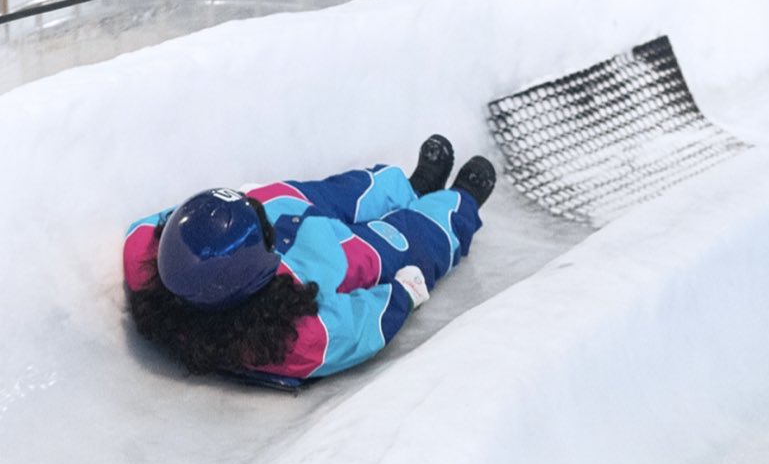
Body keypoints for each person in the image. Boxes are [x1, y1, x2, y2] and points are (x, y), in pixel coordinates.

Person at [123, 136, 495, 381]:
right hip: (328, 257)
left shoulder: (147, 254)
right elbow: (358, 327)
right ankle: (456, 205)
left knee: (344, 189)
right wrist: (400, 295)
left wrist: (235, 203)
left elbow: (152, 226)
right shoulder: (295, 338)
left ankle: (409, 187)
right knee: (408, 241)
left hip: (266, 212)